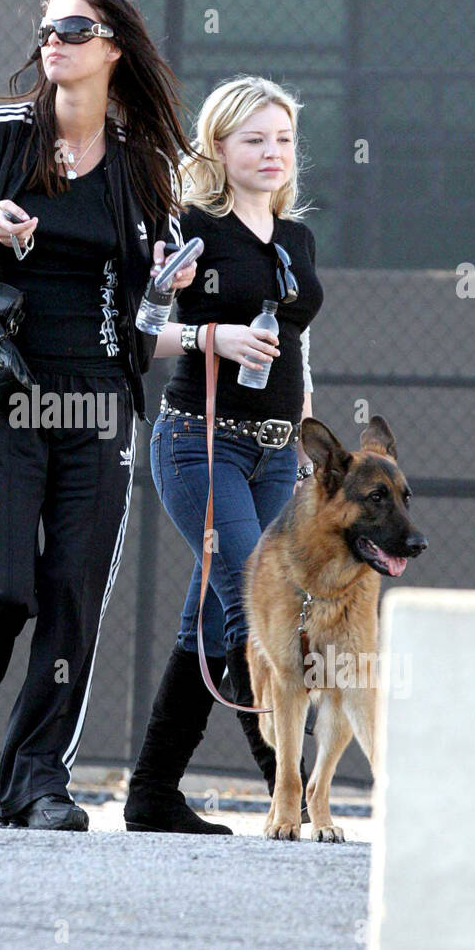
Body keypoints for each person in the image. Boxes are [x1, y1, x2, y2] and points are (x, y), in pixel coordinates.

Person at [0, 0, 199, 831]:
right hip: (6, 392)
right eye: (48, 30)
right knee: (3, 587)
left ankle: (39, 780)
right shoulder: (2, 137)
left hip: (100, 402)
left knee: (73, 595)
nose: (55, 43)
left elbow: (151, 324)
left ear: (112, 48)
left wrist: (163, 286)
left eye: (75, 30)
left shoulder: (145, 167)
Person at [124, 76, 324, 834]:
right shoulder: (189, 226)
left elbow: (301, 345)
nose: (272, 153)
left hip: (277, 457)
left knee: (208, 621)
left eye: (283, 139)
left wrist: (309, 448)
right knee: (259, 606)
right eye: (255, 140)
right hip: (199, 445)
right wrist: (214, 336)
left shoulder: (296, 238)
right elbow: (141, 334)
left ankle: (151, 794)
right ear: (219, 147)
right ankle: (293, 792)